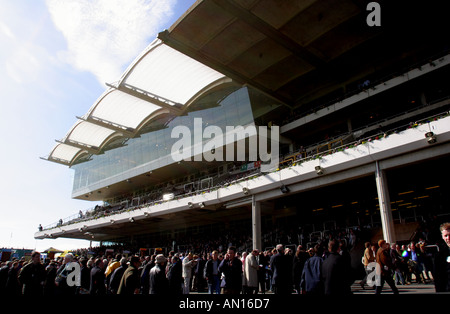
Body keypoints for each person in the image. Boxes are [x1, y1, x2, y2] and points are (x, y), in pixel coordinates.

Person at [434, 222, 450, 292]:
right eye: (446, 236)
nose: (448, 238)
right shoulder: (439, 255)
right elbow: (438, 278)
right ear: (442, 236)